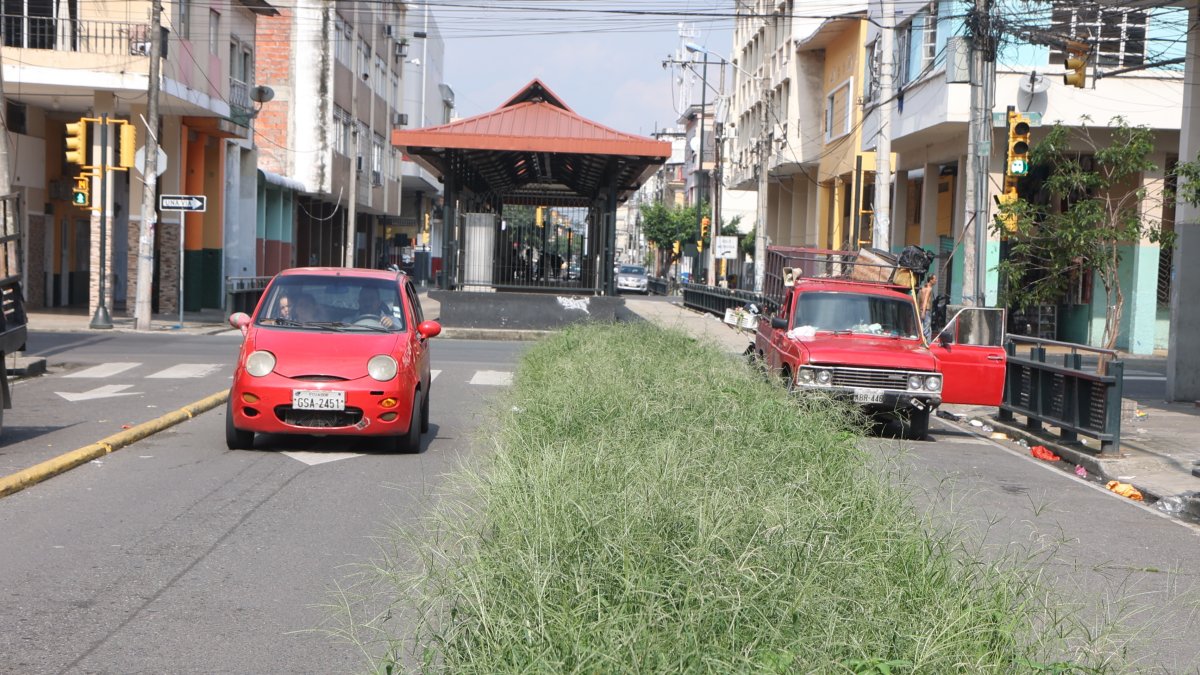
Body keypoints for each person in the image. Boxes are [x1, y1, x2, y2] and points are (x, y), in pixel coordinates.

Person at [918, 274, 938, 340]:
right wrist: (924, 312)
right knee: (927, 331)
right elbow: (925, 300)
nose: (936, 280)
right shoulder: (929, 289)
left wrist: (920, 310)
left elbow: (920, 300)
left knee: (922, 328)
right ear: (931, 280)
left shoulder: (923, 288)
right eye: (935, 279)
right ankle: (925, 343)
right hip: (926, 310)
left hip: (921, 310)